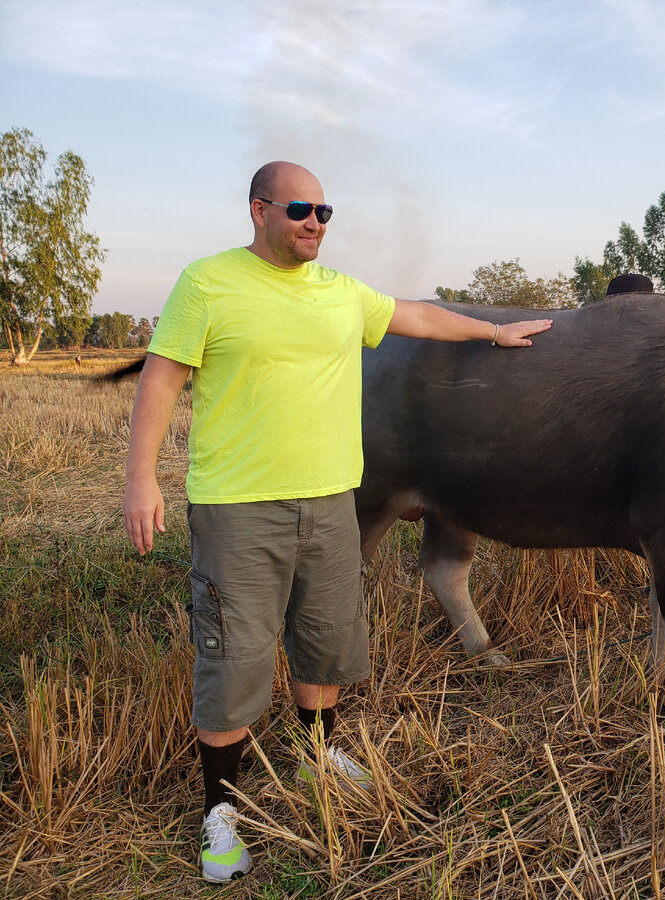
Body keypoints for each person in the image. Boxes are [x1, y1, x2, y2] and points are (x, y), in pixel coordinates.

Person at [121, 161, 552, 883]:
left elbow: (414, 316)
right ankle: (219, 812)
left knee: (326, 644)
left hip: (329, 503)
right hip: (238, 507)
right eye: (299, 209)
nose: (315, 222)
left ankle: (318, 757)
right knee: (235, 658)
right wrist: (140, 479)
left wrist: (490, 333)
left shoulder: (339, 292)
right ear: (258, 210)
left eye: (325, 211)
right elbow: (161, 377)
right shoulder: (208, 282)